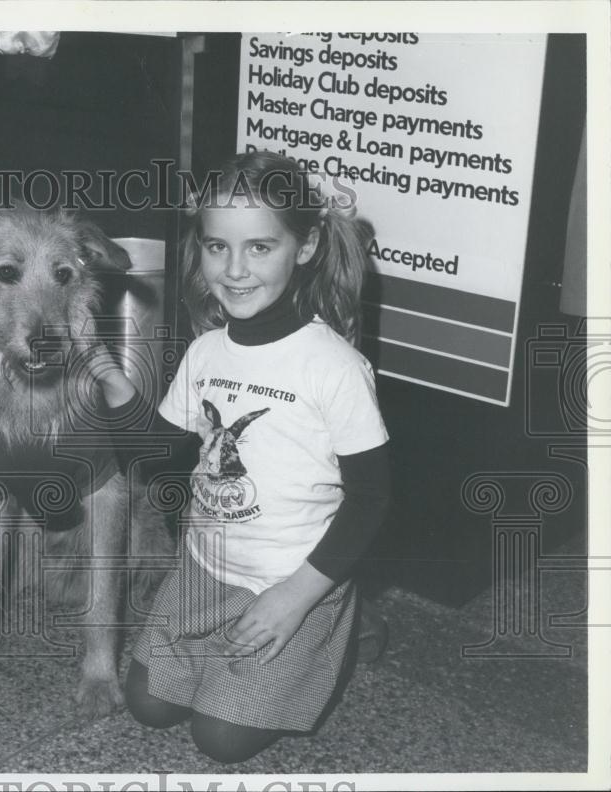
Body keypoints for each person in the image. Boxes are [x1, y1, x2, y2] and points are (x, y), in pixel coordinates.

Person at [89, 151, 392, 763]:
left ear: (303, 248)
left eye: (259, 247)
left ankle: (343, 633)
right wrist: (118, 390)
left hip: (292, 579)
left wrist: (297, 595)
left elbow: (374, 497)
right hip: (207, 567)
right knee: (149, 706)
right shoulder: (205, 352)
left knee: (219, 739)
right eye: (216, 246)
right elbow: (161, 462)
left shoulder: (333, 367)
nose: (233, 270)